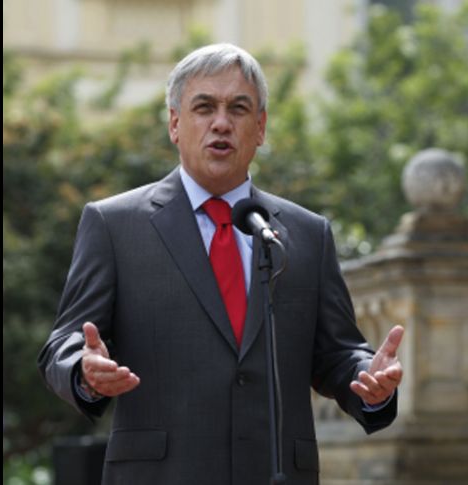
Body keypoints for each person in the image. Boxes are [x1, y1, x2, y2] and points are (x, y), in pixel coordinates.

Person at [38, 43, 404, 485]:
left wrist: (369, 377)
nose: (221, 123)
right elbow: (65, 342)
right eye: (204, 107)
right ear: (175, 123)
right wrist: (83, 370)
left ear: (261, 127)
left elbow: (336, 353)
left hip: (276, 472)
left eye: (239, 108)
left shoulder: (307, 234)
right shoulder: (115, 225)